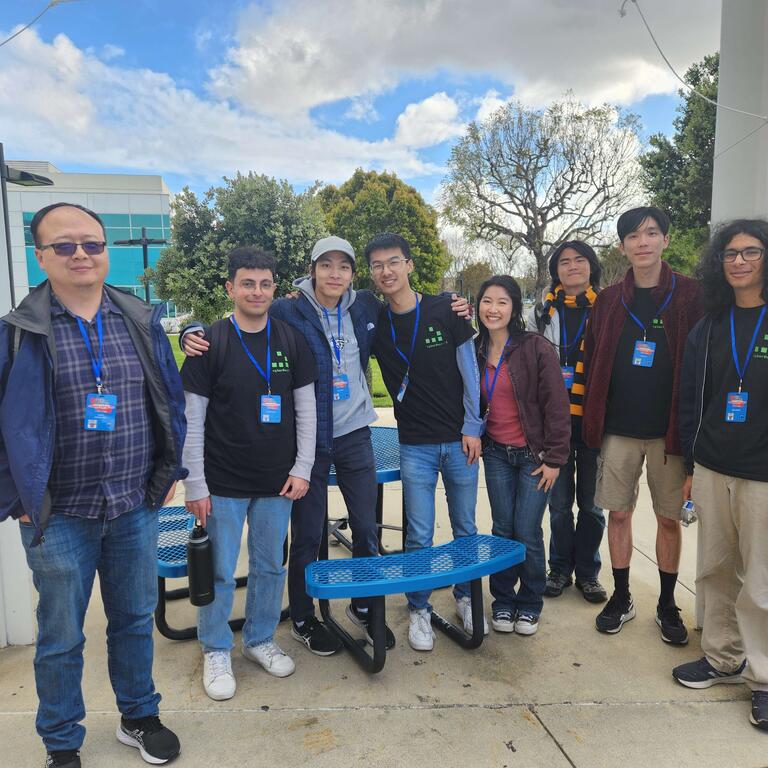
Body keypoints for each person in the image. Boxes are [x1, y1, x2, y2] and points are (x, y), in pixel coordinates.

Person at [182, 236, 469, 655]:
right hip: (307, 438)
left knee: (367, 528)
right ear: (312, 270)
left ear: (353, 274)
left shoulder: (366, 306)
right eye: (326, 266)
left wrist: (452, 303)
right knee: (308, 534)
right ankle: (303, 616)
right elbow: (245, 318)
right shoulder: (287, 308)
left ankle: (364, 606)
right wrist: (193, 331)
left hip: (355, 433)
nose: (335, 274)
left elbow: (409, 306)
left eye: (344, 267)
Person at [0, 203, 186, 768]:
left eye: (92, 244)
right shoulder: (18, 333)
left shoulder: (140, 320)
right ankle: (61, 743)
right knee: (60, 639)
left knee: (132, 620)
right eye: (64, 246)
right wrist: (19, 502)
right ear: (41, 257)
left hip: (133, 507)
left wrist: (167, 472)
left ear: (107, 252)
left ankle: (138, 714)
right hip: (58, 517)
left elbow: (168, 401)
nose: (80, 253)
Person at [181, 247, 317, 700]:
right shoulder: (209, 344)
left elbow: (306, 411)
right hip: (222, 482)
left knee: (268, 566)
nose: (256, 291)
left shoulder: (291, 340)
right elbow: (192, 421)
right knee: (219, 571)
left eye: (264, 283)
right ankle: (216, 648)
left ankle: (259, 638)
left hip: (277, 482)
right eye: (247, 283)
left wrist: (303, 468)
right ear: (230, 288)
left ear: (274, 288)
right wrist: (195, 484)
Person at [582, 206, 703, 643]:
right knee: (618, 512)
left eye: (651, 233)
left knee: (669, 519)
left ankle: (667, 602)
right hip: (619, 429)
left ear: (665, 240)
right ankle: (622, 596)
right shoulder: (611, 300)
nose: (643, 242)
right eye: (633, 236)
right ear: (622, 247)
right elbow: (594, 357)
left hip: (670, 432)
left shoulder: (693, 295)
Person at [365, 232, 483, 651]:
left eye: (393, 261)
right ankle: (418, 608)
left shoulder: (444, 307)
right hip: (413, 443)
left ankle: (467, 598)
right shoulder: (375, 322)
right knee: (417, 534)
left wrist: (473, 426)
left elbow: (470, 370)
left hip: (458, 441)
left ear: (410, 265)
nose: (386, 271)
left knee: (465, 527)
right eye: (377, 265)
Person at [673, 219, 768, 733]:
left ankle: (764, 679)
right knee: (713, 571)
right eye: (730, 254)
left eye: (750, 252)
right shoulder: (710, 326)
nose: (738, 262)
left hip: (762, 475)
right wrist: (691, 462)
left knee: (761, 582)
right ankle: (722, 658)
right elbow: (691, 398)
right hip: (712, 466)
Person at [478, 275, 571, 634]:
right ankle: (502, 600)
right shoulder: (474, 348)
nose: (493, 309)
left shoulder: (535, 347)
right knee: (502, 529)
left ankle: (530, 602)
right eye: (487, 301)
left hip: (535, 456)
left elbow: (557, 407)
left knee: (527, 530)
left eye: (502, 301)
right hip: (497, 454)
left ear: (514, 307)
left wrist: (555, 459)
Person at [527, 241, 607, 603]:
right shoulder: (541, 312)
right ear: (555, 270)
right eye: (564, 262)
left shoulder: (607, 308)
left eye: (579, 260)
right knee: (558, 506)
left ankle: (588, 573)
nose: (572, 266)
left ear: (591, 266)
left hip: (594, 423)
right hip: (554, 426)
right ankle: (559, 568)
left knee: (591, 505)